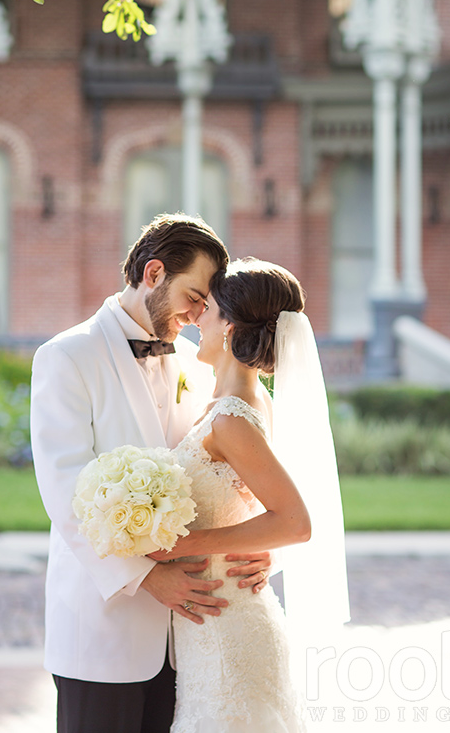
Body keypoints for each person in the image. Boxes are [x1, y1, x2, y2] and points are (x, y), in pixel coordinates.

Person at [30, 216, 274, 733]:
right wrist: (148, 577)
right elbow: (66, 492)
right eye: (194, 295)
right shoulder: (66, 357)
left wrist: (257, 544)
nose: (198, 315)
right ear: (154, 272)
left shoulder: (199, 362)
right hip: (103, 630)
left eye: (208, 304)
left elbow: (230, 474)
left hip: (194, 640)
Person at [149, 257, 350, 733]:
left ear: (230, 327)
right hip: (218, 623)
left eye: (208, 309)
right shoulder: (243, 404)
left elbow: (295, 522)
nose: (197, 317)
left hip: (228, 633)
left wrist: (182, 547)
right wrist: (261, 551)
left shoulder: (232, 419)